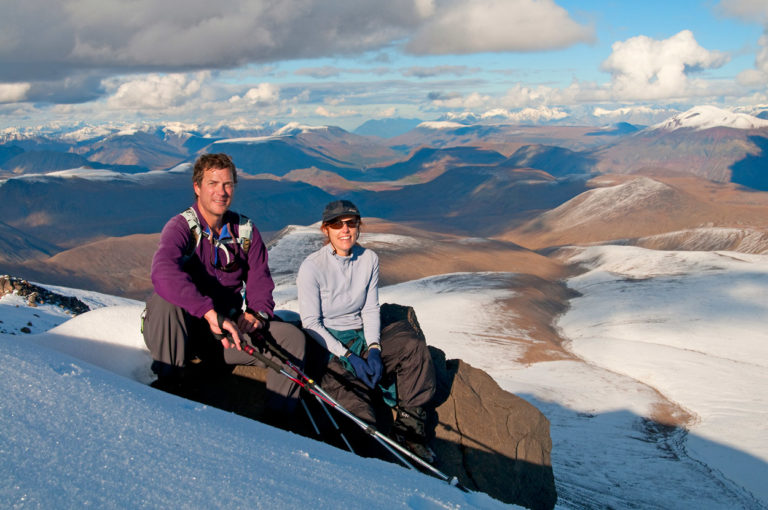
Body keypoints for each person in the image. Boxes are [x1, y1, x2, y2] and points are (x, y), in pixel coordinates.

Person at [142, 153, 306, 422]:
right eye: (213, 183)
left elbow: (260, 281)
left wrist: (257, 314)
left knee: (292, 338)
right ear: (197, 187)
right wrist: (208, 312)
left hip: (224, 334)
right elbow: (163, 272)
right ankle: (169, 388)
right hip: (183, 330)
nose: (221, 191)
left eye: (228, 184)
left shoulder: (245, 231)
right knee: (164, 300)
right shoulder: (182, 227)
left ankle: (278, 421)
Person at [296, 200, 437, 461]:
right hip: (330, 351)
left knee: (411, 344)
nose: (345, 230)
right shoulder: (312, 267)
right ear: (325, 230)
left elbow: (371, 309)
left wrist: (374, 349)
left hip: (361, 337)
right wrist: (347, 356)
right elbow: (311, 323)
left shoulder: (368, 258)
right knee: (359, 422)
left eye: (351, 223)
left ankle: (410, 431)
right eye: (337, 224)